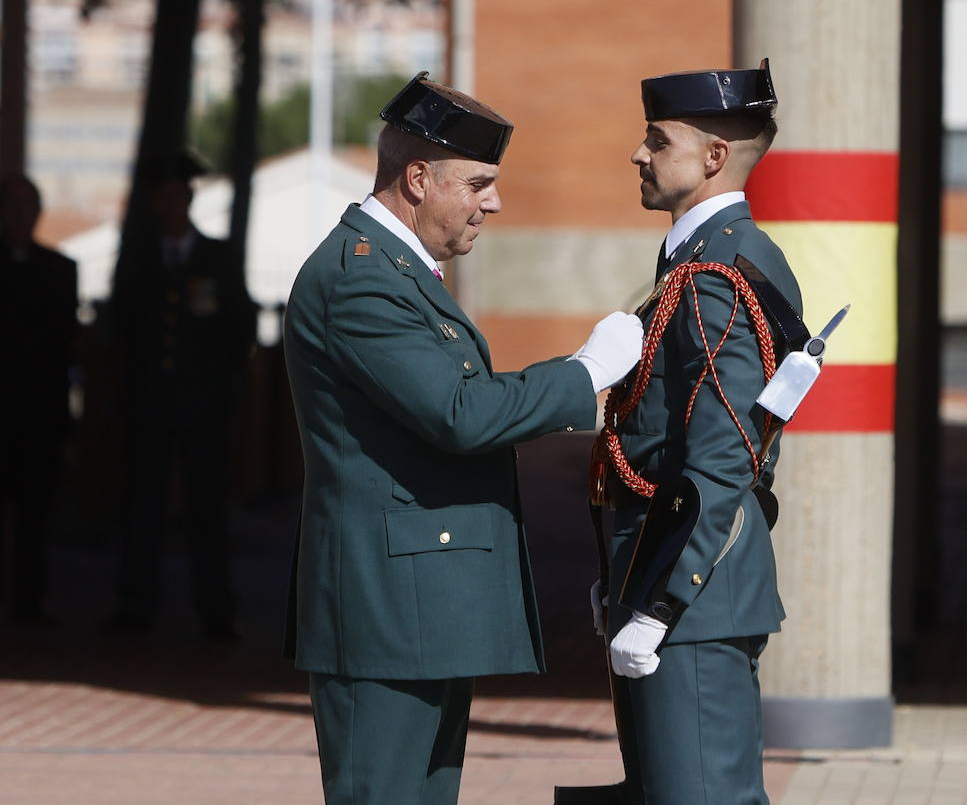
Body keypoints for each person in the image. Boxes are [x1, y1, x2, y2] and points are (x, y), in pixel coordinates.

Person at [282, 71, 644, 804]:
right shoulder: (361, 279)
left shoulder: (396, 270)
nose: (494, 202)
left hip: (418, 600)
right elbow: (460, 412)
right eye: (478, 183)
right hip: (387, 606)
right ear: (418, 178)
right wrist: (583, 373)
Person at [565, 60, 805, 805]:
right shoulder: (697, 262)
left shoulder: (717, 272)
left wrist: (663, 601)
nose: (638, 154)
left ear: (712, 158)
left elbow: (725, 452)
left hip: (690, 601)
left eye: (656, 140)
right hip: (666, 579)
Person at [104, 152, 257, 639]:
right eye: (162, 197)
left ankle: (216, 611)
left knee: (206, 510)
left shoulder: (217, 257)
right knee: (142, 508)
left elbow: (240, 330)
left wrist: (221, 393)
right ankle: (135, 606)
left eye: (178, 195)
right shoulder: (139, 262)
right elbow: (120, 336)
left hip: (202, 411)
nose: (170, 204)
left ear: (189, 198)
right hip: (148, 409)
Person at [0, 176, 78, 626]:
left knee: (35, 516)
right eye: (12, 205)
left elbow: (63, 344)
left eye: (28, 205)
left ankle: (29, 602)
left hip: (39, 415)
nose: (20, 214)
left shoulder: (59, 269)